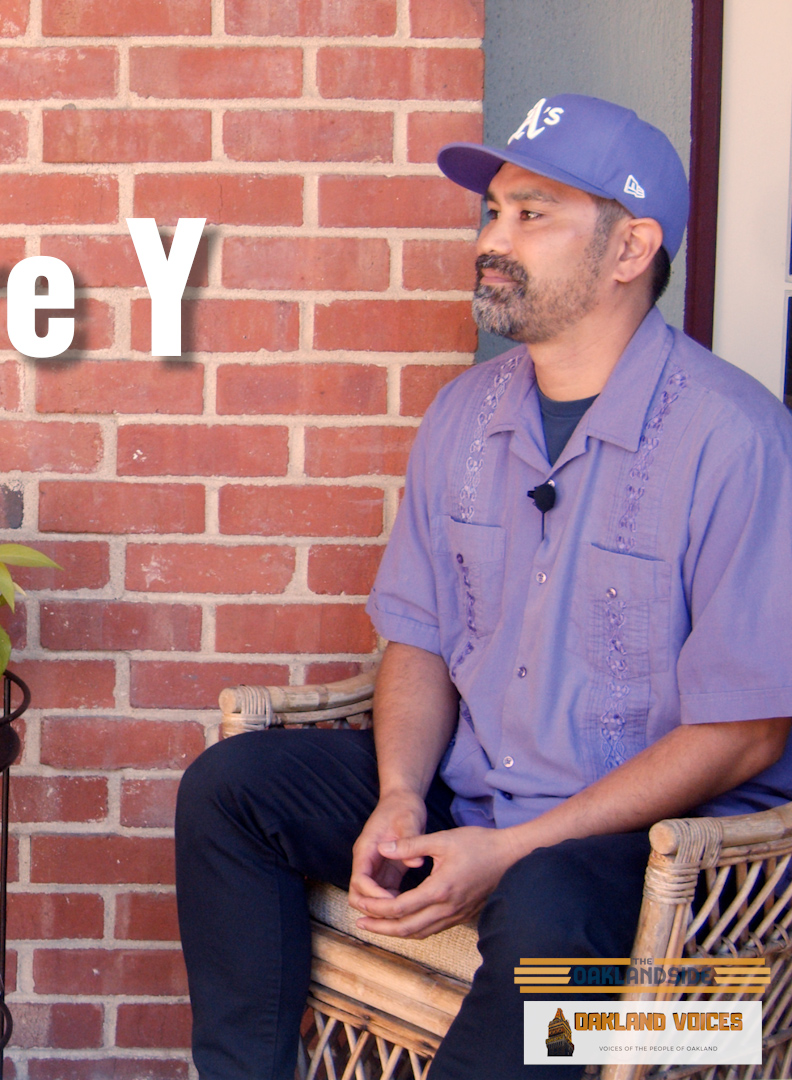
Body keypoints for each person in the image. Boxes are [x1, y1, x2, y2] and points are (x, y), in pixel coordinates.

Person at [174, 94, 792, 1080]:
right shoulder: (466, 415)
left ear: (631, 249)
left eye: (531, 214)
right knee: (232, 790)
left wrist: (508, 853)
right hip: (475, 789)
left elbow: (748, 730)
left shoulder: (738, 440)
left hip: (643, 841)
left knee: (550, 908)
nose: (492, 240)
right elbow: (418, 638)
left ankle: (671, 1037)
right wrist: (399, 797)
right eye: (493, 211)